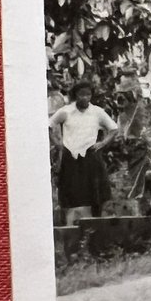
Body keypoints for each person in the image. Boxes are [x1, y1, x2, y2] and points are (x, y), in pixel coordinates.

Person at [49, 80, 118, 224]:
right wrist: (57, 144)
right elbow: (49, 124)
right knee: (71, 190)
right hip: (71, 156)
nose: (85, 98)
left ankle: (96, 222)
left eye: (88, 94)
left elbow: (113, 129)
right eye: (81, 94)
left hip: (91, 155)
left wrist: (103, 143)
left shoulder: (97, 112)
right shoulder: (66, 111)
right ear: (75, 95)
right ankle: (69, 223)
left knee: (95, 192)